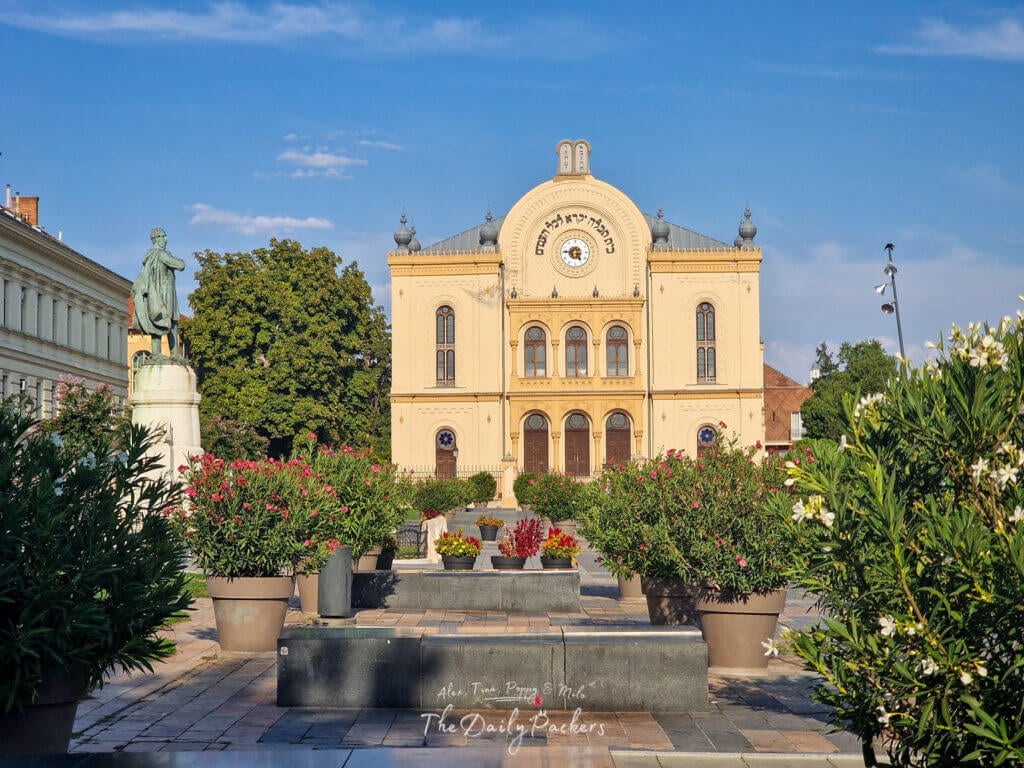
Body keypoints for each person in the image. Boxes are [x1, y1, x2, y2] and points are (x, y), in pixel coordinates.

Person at [132, 227, 186, 356]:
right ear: (156, 239)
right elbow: (180, 265)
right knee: (172, 321)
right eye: (163, 236)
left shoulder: (150, 256)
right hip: (165, 294)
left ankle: (157, 354)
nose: (166, 240)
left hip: (154, 295)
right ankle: (174, 354)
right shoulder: (162, 254)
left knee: (157, 323)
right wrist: (178, 259)